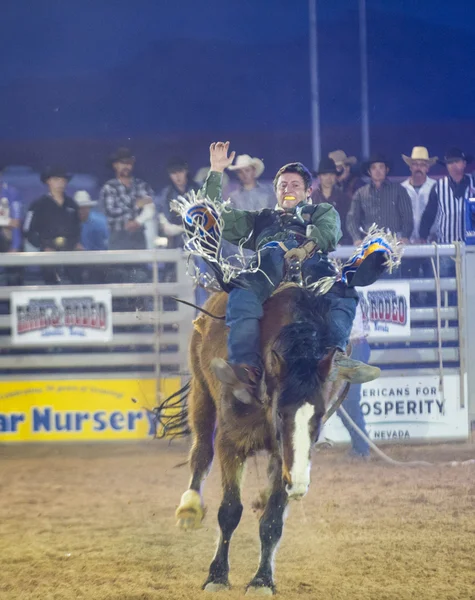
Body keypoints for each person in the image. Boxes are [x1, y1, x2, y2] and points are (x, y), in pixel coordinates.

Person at [200, 142, 380, 401]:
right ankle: (245, 367)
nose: (288, 189)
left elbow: (329, 232)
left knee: (342, 290)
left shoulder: (320, 211)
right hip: (265, 269)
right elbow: (215, 217)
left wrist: (305, 249)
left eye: (295, 185)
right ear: (275, 191)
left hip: (312, 268)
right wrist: (216, 172)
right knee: (241, 294)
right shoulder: (260, 219)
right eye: (283, 185)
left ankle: (335, 357)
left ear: (308, 192)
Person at [420, 147, 475, 285]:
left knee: (469, 285)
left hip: (470, 247)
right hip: (445, 245)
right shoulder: (439, 186)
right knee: (443, 285)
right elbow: (429, 214)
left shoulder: (473, 184)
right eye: (450, 163)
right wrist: (422, 235)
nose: (453, 165)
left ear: (464, 163)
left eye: (456, 161)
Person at [24, 166, 81, 284]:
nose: (60, 183)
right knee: (51, 282)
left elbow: (77, 228)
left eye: (63, 180)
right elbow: (27, 229)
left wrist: (75, 243)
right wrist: (44, 246)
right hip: (47, 251)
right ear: (48, 181)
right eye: (56, 179)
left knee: (76, 281)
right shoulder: (38, 205)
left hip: (70, 251)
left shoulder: (72, 205)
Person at [346, 153, 414, 246]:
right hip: (369, 245)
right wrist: (356, 239)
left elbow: (407, 217)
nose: (377, 171)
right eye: (373, 168)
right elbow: (352, 219)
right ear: (369, 171)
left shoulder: (399, 191)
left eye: (381, 167)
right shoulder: (360, 193)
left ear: (387, 169)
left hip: (394, 244)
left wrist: (405, 236)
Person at [100, 147, 153, 250]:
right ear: (115, 165)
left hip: (139, 237)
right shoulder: (109, 187)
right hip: (118, 237)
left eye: (129, 163)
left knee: (140, 266)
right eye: (122, 163)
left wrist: (137, 222)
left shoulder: (141, 185)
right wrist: (136, 205)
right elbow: (110, 211)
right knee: (118, 266)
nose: (126, 166)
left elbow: (150, 205)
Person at [401, 146, 438, 243]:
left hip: (431, 243)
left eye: (422, 165)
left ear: (427, 168)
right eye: (415, 164)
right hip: (406, 244)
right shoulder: (401, 189)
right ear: (410, 167)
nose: (418, 168)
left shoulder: (436, 187)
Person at [312, 157, 352, 245]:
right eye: (325, 174)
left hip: (340, 245)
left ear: (336, 176)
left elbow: (348, 224)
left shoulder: (344, 198)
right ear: (319, 177)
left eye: (331, 174)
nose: (328, 178)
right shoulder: (312, 198)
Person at [0, 166, 23, 285]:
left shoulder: (11, 192)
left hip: (7, 242)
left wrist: (15, 246)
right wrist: (5, 222)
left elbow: (16, 222)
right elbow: (10, 222)